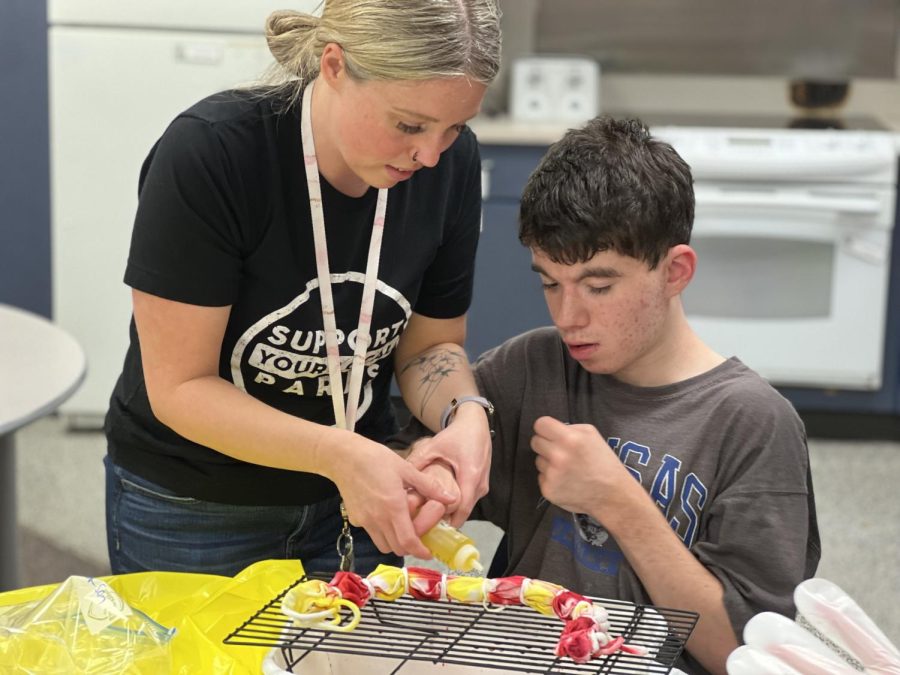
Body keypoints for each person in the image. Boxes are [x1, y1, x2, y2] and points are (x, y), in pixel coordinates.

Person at [404, 116, 820, 674]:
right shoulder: (532, 366)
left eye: (599, 286)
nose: (568, 316)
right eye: (550, 282)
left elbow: (746, 657)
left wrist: (617, 501)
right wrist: (430, 475)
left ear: (675, 271)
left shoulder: (752, 423)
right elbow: (416, 466)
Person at [103, 0, 501, 578]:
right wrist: (338, 455)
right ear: (334, 67)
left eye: (455, 126)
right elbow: (180, 387)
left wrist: (464, 417)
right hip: (196, 504)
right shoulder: (214, 152)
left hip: (361, 496)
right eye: (409, 125)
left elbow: (429, 348)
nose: (430, 154)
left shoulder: (450, 165)